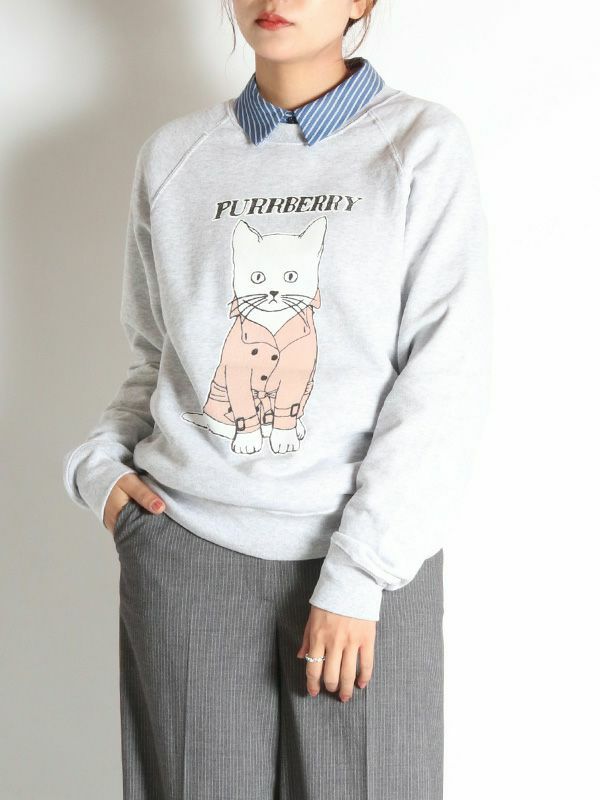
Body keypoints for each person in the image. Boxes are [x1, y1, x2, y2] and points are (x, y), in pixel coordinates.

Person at [62, 1, 491, 797]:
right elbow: (157, 359)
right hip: (188, 554)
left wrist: (359, 575)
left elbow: (443, 377)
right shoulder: (175, 158)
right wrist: (98, 470)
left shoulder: (419, 145)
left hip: (362, 563)